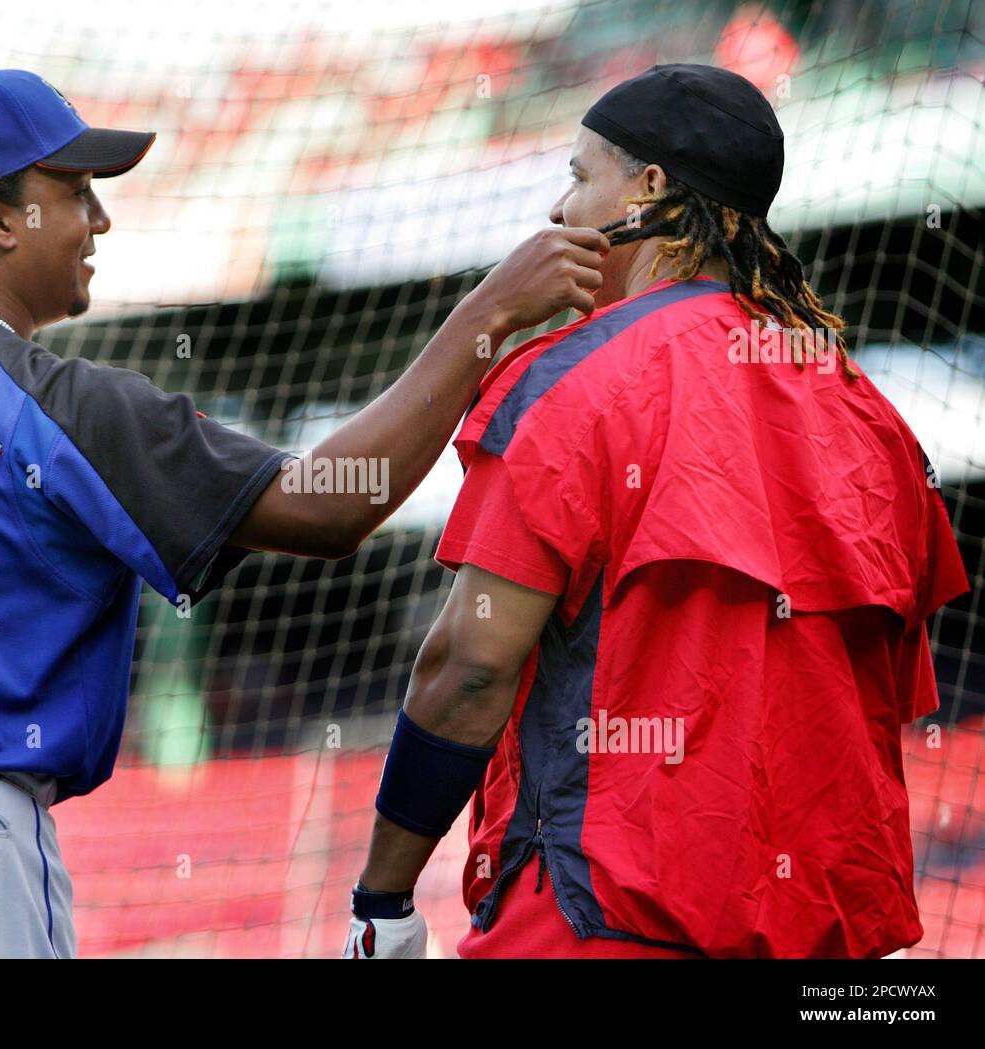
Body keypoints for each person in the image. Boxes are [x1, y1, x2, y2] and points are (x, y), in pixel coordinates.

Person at [0, 69, 608, 958]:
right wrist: (488, 312)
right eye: (76, 191)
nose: (100, 217)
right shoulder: (52, 399)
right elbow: (333, 505)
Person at [343, 63, 969, 960]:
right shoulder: (871, 414)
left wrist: (385, 898)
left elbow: (470, 665)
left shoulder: (573, 378)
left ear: (649, 189)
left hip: (599, 923)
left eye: (579, 175)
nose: (561, 210)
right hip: (837, 957)